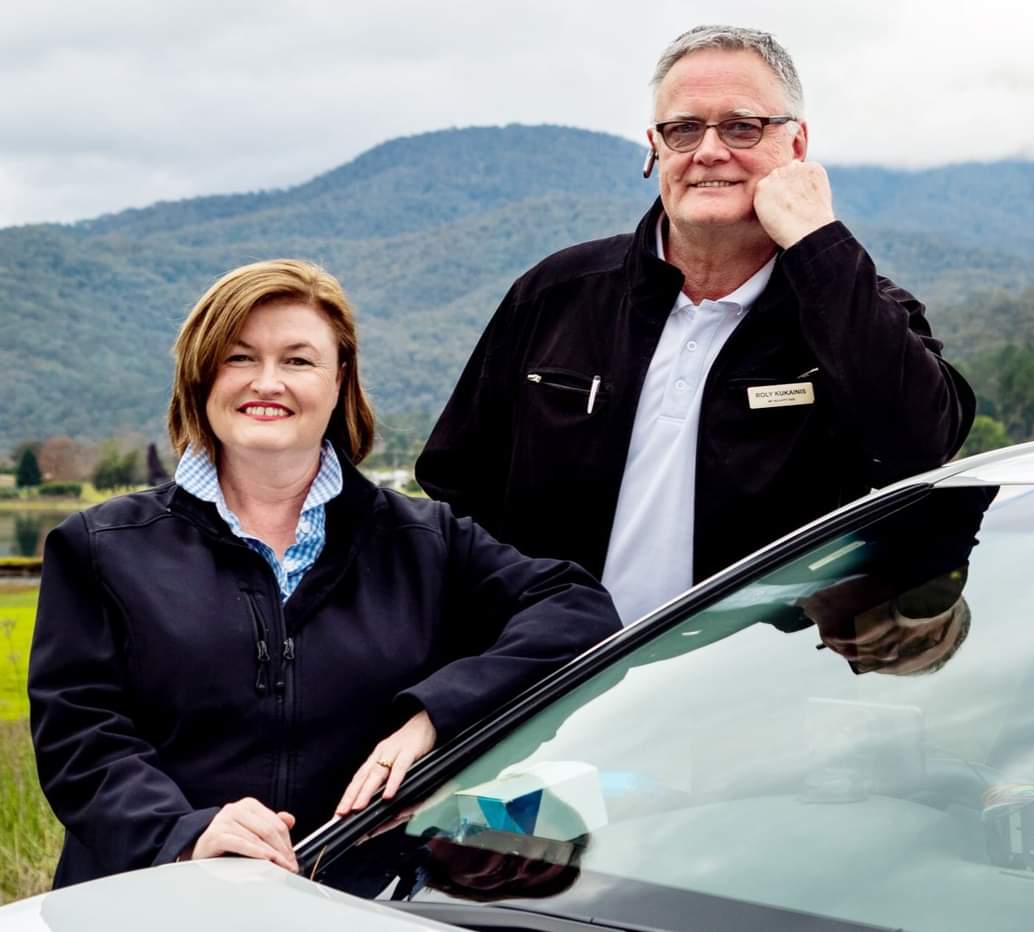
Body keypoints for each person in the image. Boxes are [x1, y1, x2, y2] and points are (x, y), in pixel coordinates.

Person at [28, 259, 620, 888]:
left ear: (340, 380)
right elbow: (81, 740)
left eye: (298, 360)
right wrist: (183, 831)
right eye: (239, 358)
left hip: (361, 904)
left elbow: (578, 610)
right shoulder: (100, 545)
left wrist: (438, 717)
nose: (267, 382)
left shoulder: (425, 540)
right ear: (201, 377)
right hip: (154, 899)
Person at [416, 25, 976, 625]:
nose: (709, 151)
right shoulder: (556, 295)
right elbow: (453, 490)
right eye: (683, 129)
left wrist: (818, 242)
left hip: (733, 696)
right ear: (655, 148)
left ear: (797, 144)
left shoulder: (858, 312)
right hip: (542, 684)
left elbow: (920, 445)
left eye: (742, 126)